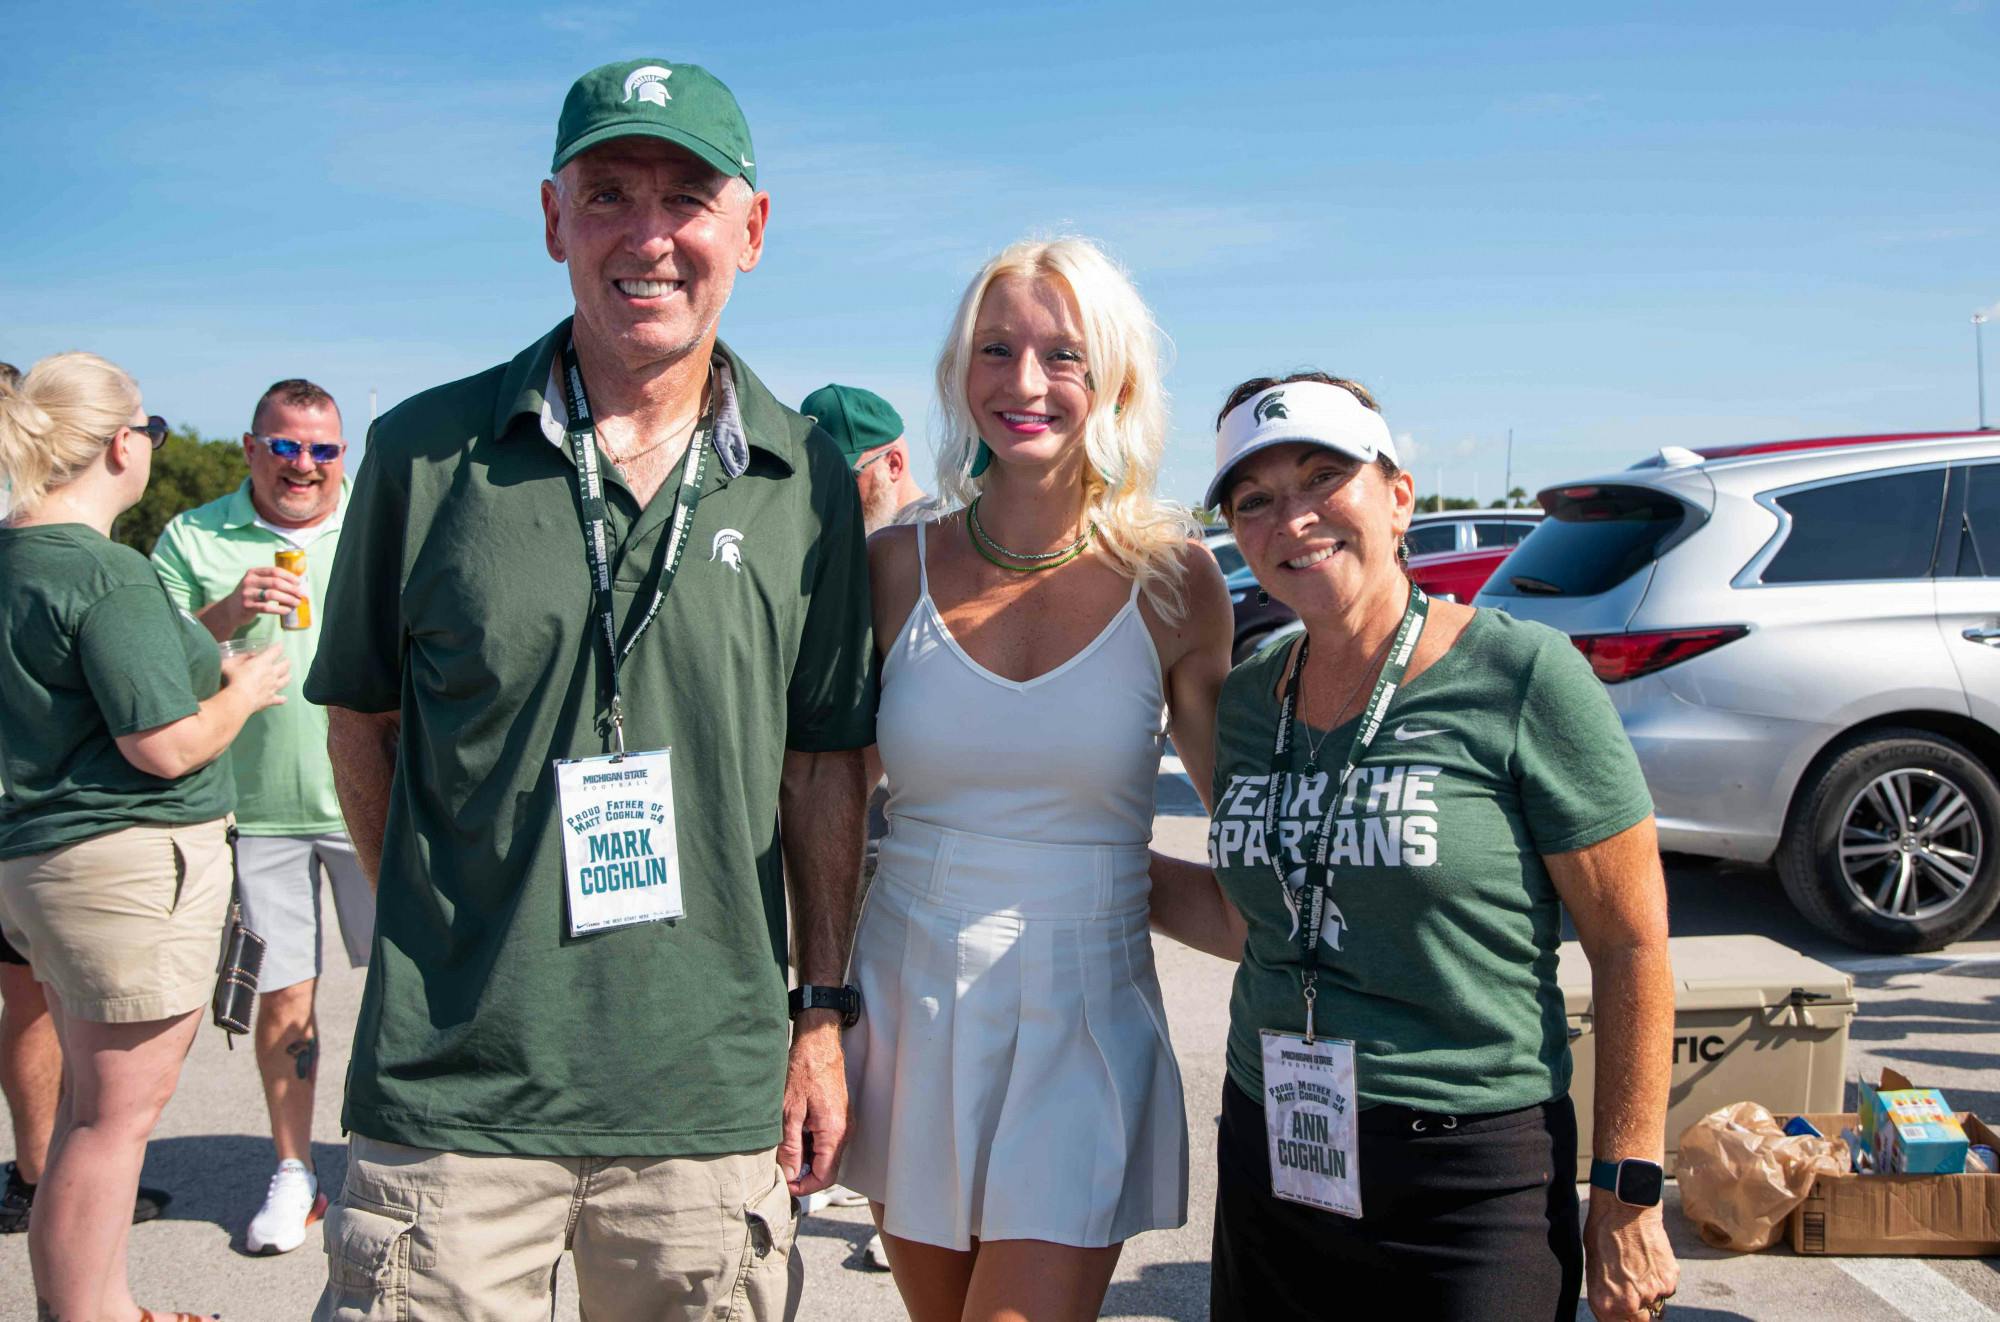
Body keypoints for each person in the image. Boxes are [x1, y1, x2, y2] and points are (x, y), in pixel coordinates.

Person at [304, 58, 874, 1321]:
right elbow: (364, 721)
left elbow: (824, 760)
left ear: (752, 230)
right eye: (607, 192)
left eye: (686, 197)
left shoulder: (806, 480)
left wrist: (822, 1012)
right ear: (554, 219)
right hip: (451, 1095)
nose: (649, 235)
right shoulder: (421, 451)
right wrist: (442, 926)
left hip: (705, 1100)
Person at [1147, 371, 1681, 1321]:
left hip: (1469, 1172)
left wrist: (1628, 1190)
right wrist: (1098, 871)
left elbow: (1630, 944)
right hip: (1275, 1143)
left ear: (1398, 499)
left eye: (1323, 478)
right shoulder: (1249, 697)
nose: (1294, 517)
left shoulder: (1520, 674)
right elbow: (1253, 920)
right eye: (1256, 500)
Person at [840, 236, 1234, 1321]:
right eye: (994, 348)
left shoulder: (1174, 580)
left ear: (1112, 376)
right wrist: (810, 1010)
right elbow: (822, 803)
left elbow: (1248, 825)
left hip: (1084, 1012)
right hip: (905, 1000)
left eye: (1061, 354)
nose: (1022, 383)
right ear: (959, 371)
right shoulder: (887, 571)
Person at [0, 352, 290, 1321]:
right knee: (113, 1123)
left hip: (36, 861)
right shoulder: (103, 569)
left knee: (89, 1114)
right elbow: (162, 744)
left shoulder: (16, 559)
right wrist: (243, 691)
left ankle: (98, 1305)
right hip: (120, 867)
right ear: (122, 443)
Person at [150, 377, 373, 1255]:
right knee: (283, 998)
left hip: (376, 798)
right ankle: (294, 1172)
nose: (305, 465)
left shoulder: (375, 519)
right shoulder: (193, 534)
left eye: (323, 449)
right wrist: (224, 615)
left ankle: (399, 1151)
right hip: (259, 808)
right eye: (285, 446)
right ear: (251, 448)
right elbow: (150, 672)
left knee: (413, 982)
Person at [795, 383, 931, 1272]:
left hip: (913, 830)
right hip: (860, 815)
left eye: (839, 485)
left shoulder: (934, 552)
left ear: (890, 464)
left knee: (901, 1025)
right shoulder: (846, 551)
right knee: (850, 1014)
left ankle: (906, 1197)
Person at [802, 383, 930, 532]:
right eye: (817, 481)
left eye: (843, 478)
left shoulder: (937, 539)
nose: (829, 494)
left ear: (893, 465)